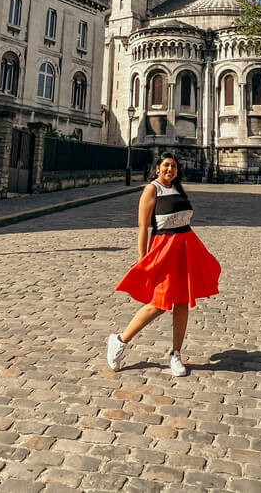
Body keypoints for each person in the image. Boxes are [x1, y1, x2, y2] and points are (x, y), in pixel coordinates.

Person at [107, 152, 221, 377]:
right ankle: (120, 340)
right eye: (166, 165)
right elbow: (142, 226)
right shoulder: (152, 189)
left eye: (174, 166)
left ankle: (176, 353)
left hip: (186, 247)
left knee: (182, 302)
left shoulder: (178, 189)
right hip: (164, 248)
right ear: (158, 167)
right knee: (159, 303)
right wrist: (143, 258)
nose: (170, 169)